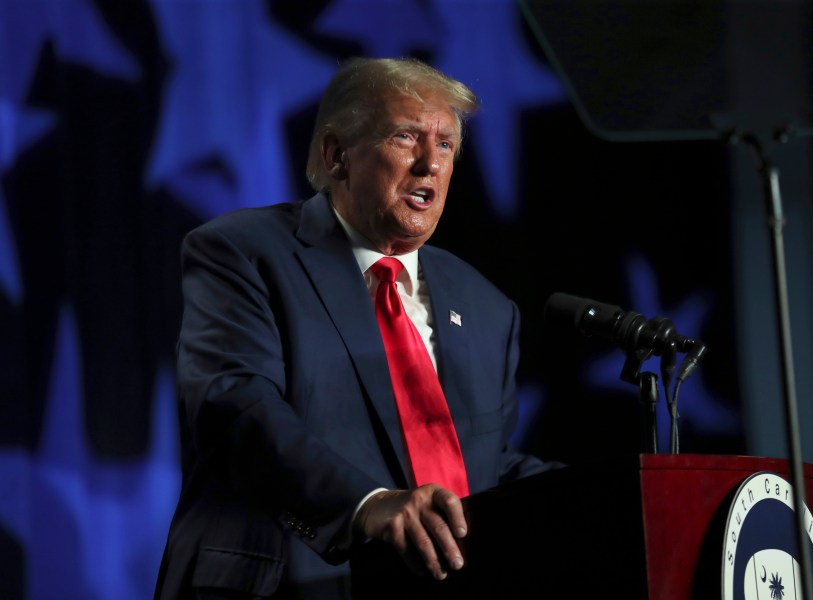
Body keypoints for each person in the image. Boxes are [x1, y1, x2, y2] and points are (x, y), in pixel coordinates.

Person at [154, 56, 561, 600]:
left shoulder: (486, 305)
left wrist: (605, 496)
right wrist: (367, 505)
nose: (429, 164)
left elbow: (482, 464)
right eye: (405, 137)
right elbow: (235, 406)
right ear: (336, 154)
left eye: (445, 145)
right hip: (283, 583)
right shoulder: (243, 253)